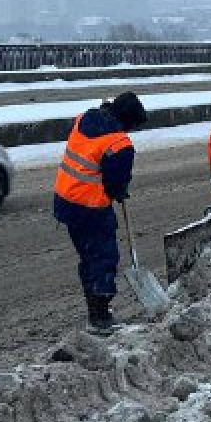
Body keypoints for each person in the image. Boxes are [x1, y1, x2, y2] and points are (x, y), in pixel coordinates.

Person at [53, 91, 148, 335]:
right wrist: (120, 190)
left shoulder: (85, 118)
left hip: (65, 201)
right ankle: (99, 318)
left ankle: (95, 310)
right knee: (103, 258)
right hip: (90, 208)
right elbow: (115, 182)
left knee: (88, 257)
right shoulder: (119, 144)